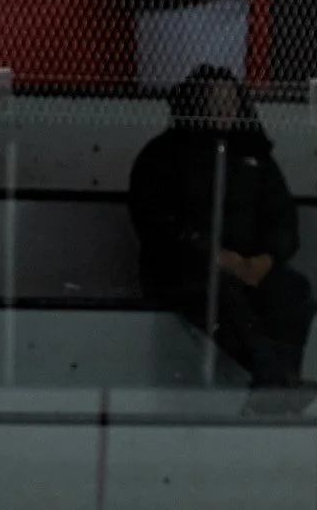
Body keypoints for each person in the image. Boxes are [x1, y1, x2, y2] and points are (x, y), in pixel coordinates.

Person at [129, 65, 317, 412]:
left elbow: (282, 218)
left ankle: (284, 378)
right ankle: (270, 380)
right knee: (223, 295)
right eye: (214, 101)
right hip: (186, 270)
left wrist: (266, 258)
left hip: (249, 269)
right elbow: (155, 221)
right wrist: (212, 254)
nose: (224, 109)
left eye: (231, 101)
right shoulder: (164, 155)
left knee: (292, 289)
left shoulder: (255, 156)